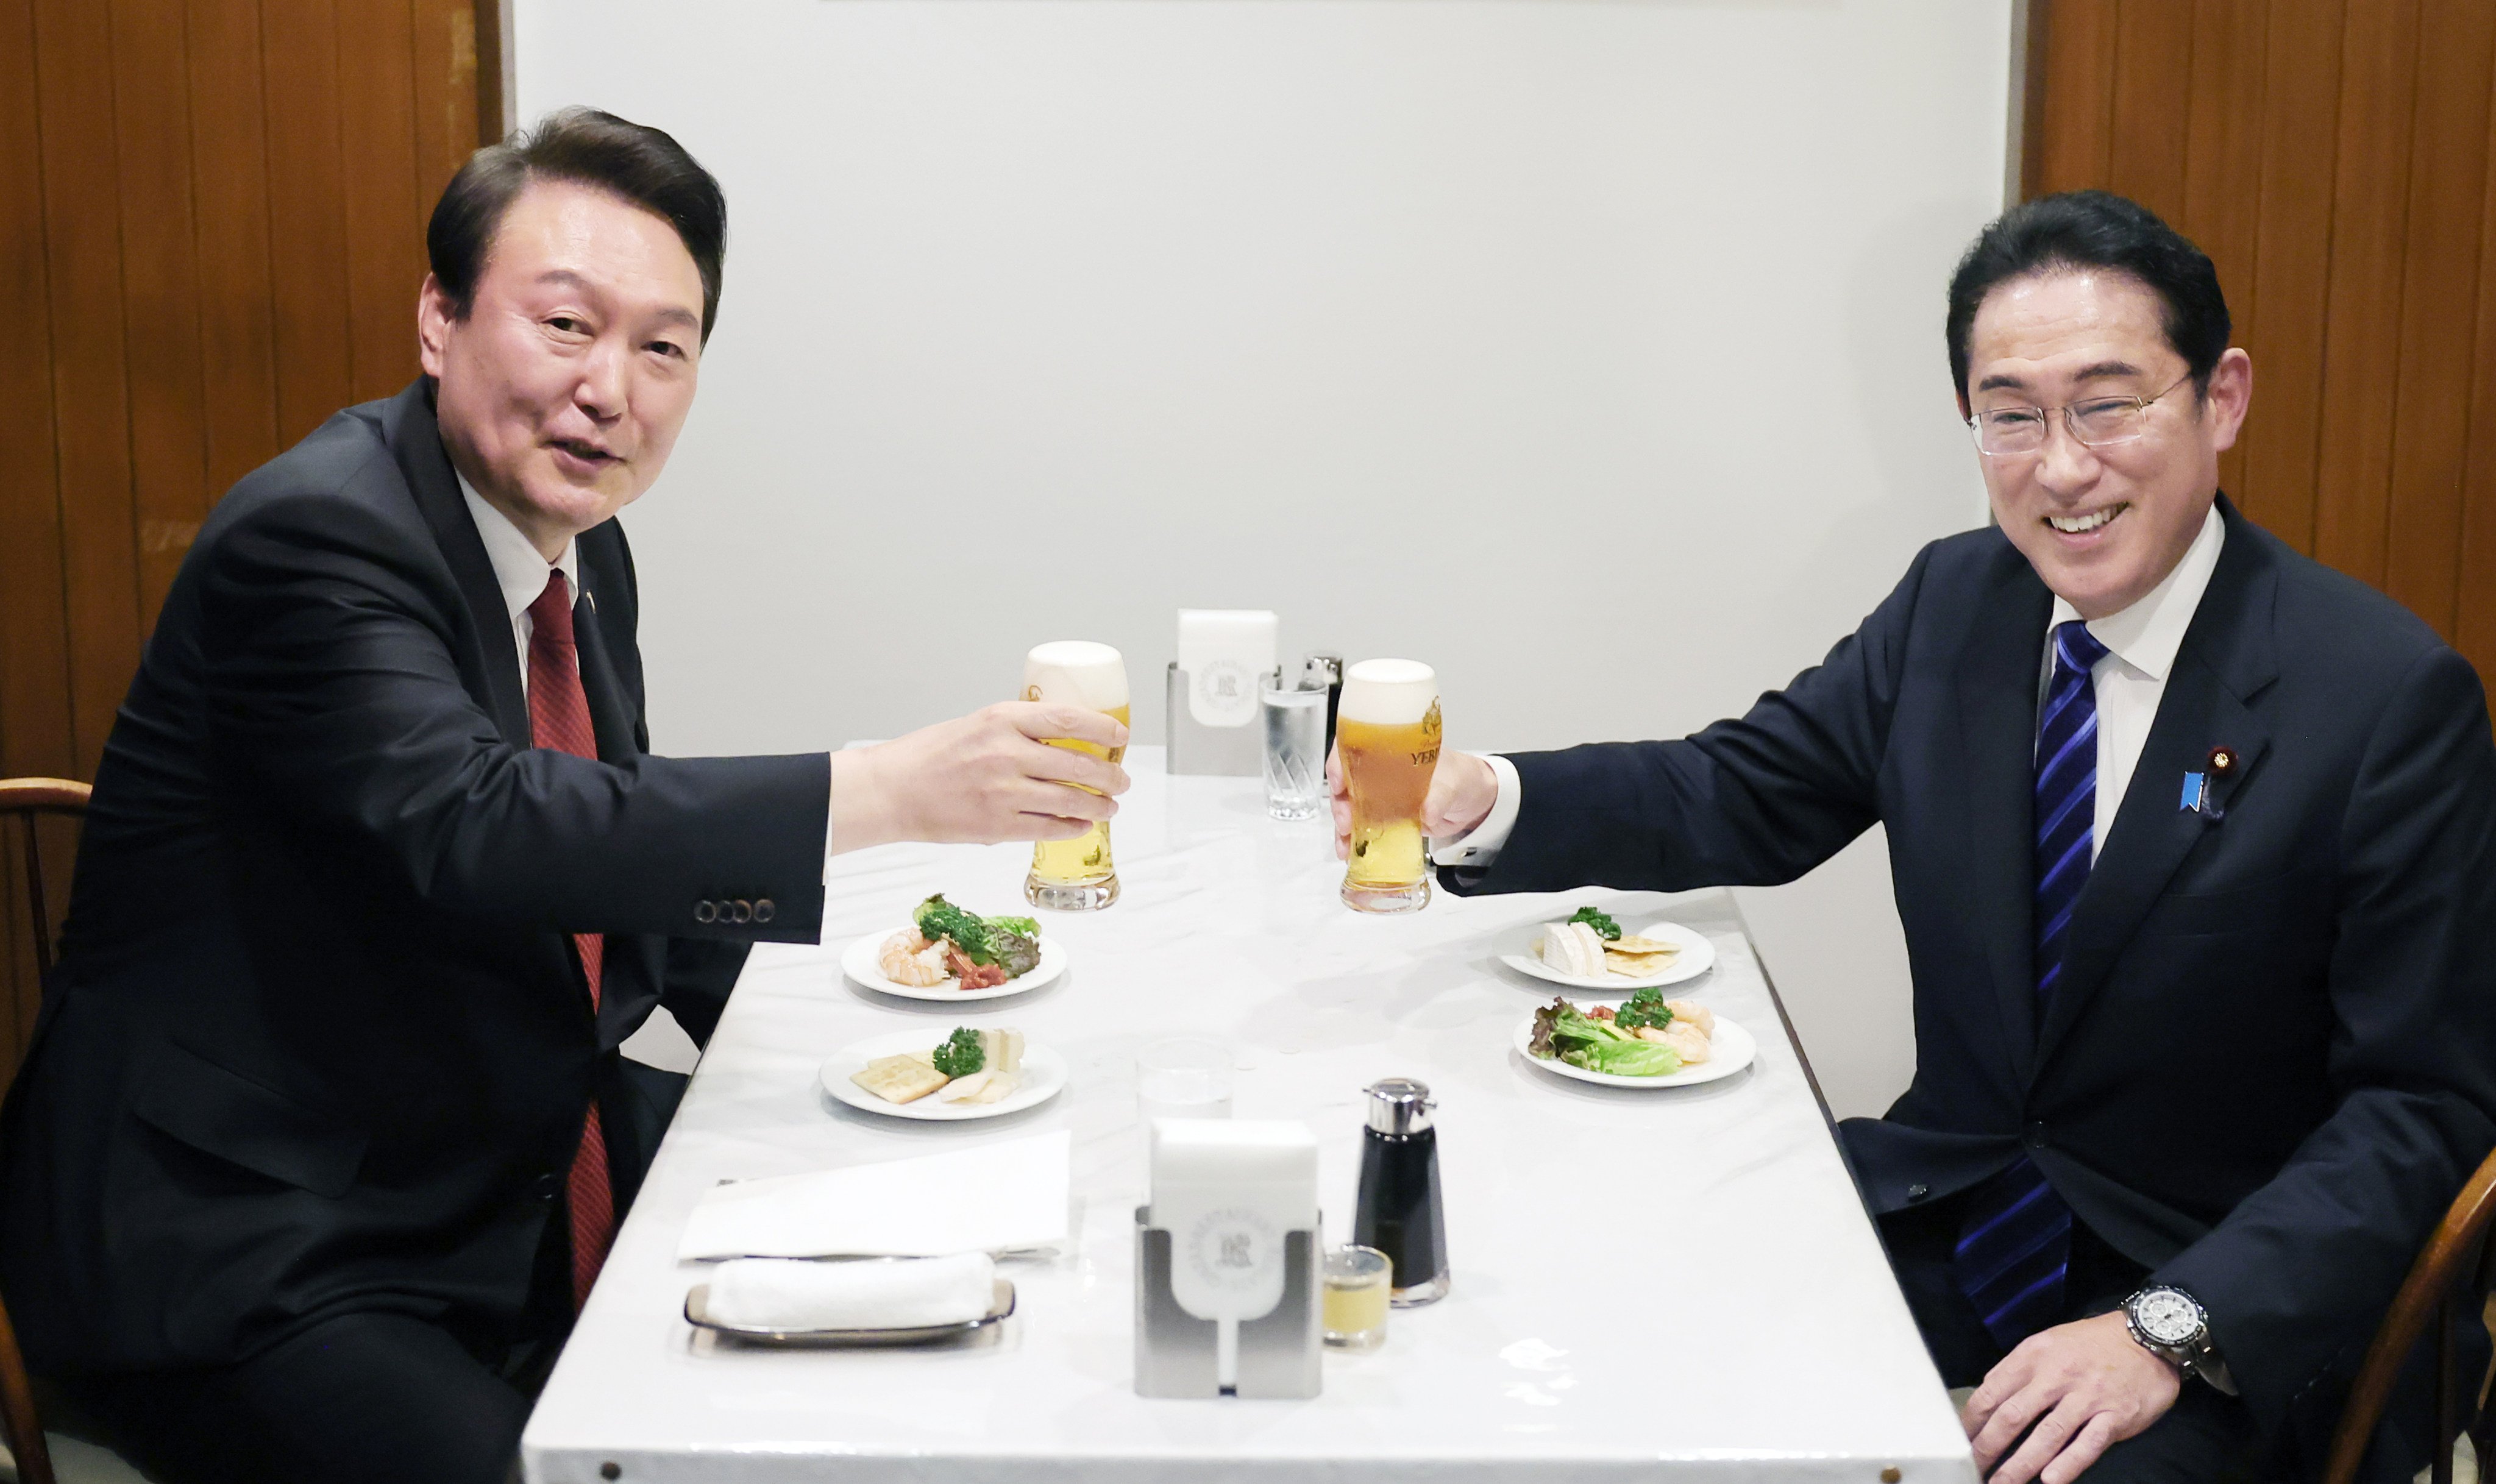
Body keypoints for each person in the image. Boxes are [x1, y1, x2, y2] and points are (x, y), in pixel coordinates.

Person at [0, 108, 1128, 1484]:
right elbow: (481, 825)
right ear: (438, 318)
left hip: (477, 1141)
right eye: (565, 326)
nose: (613, 390)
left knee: (949, 1250)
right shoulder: (319, 535)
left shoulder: (577, 550)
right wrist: (881, 788)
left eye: (663, 347)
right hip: (256, 1233)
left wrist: (861, 1020)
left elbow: (608, 847)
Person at [1339, 191, 2496, 1482]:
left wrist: (2167, 1331)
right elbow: (1739, 789)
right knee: (1591, 1317)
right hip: (1953, 1211)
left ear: (2217, 399)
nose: (2060, 466)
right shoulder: (1958, 599)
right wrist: (1484, 795)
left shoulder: (2383, 697)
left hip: (2212, 1295)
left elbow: (2418, 1104)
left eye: (2106, 404)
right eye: (2011, 415)